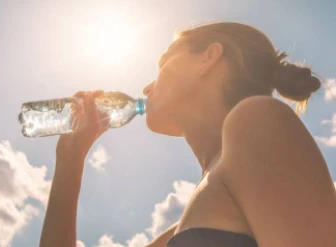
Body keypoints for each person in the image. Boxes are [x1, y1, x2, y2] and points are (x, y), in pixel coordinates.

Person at [38, 22, 336, 247]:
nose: (146, 88)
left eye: (163, 62)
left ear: (209, 57)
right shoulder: (185, 224)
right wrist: (70, 158)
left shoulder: (258, 119)